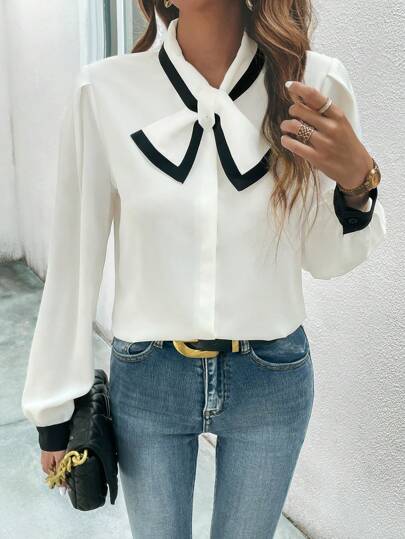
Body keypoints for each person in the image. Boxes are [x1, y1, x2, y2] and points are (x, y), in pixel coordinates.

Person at [21, 0, 386, 537]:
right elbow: (75, 261)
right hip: (148, 378)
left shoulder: (314, 83)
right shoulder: (104, 91)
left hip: (272, 377)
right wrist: (54, 409)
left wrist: (359, 182)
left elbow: (326, 257)